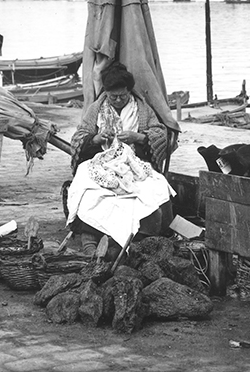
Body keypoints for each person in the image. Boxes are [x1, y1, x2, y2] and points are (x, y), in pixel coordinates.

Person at [67, 61, 174, 258]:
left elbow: (160, 133)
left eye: (122, 96)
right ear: (106, 92)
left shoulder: (142, 109)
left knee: (154, 189)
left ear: (129, 91)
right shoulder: (95, 109)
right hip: (101, 163)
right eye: (113, 96)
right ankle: (91, 236)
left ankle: (134, 237)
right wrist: (96, 139)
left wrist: (138, 137)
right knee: (89, 191)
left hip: (134, 164)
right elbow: (78, 137)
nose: (117, 100)